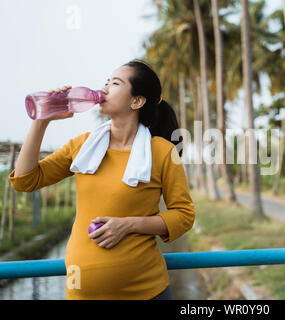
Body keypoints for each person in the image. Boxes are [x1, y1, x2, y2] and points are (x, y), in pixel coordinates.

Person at [8, 60, 195, 300]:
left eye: (115, 83)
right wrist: (42, 119)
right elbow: (24, 181)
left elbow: (184, 214)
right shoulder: (83, 146)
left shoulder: (162, 152)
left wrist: (128, 224)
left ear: (136, 101)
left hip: (147, 291)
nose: (104, 89)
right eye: (106, 82)